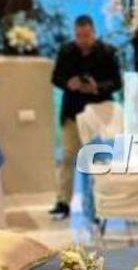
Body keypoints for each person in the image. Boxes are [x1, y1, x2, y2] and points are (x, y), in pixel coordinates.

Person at [48, 15, 122, 219]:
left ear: (94, 33)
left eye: (86, 36)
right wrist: (68, 83)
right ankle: (63, 202)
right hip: (73, 112)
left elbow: (117, 82)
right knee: (66, 157)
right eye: (79, 36)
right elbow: (55, 78)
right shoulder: (66, 52)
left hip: (98, 114)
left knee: (97, 160)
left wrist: (96, 87)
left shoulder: (107, 53)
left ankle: (99, 205)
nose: (83, 40)